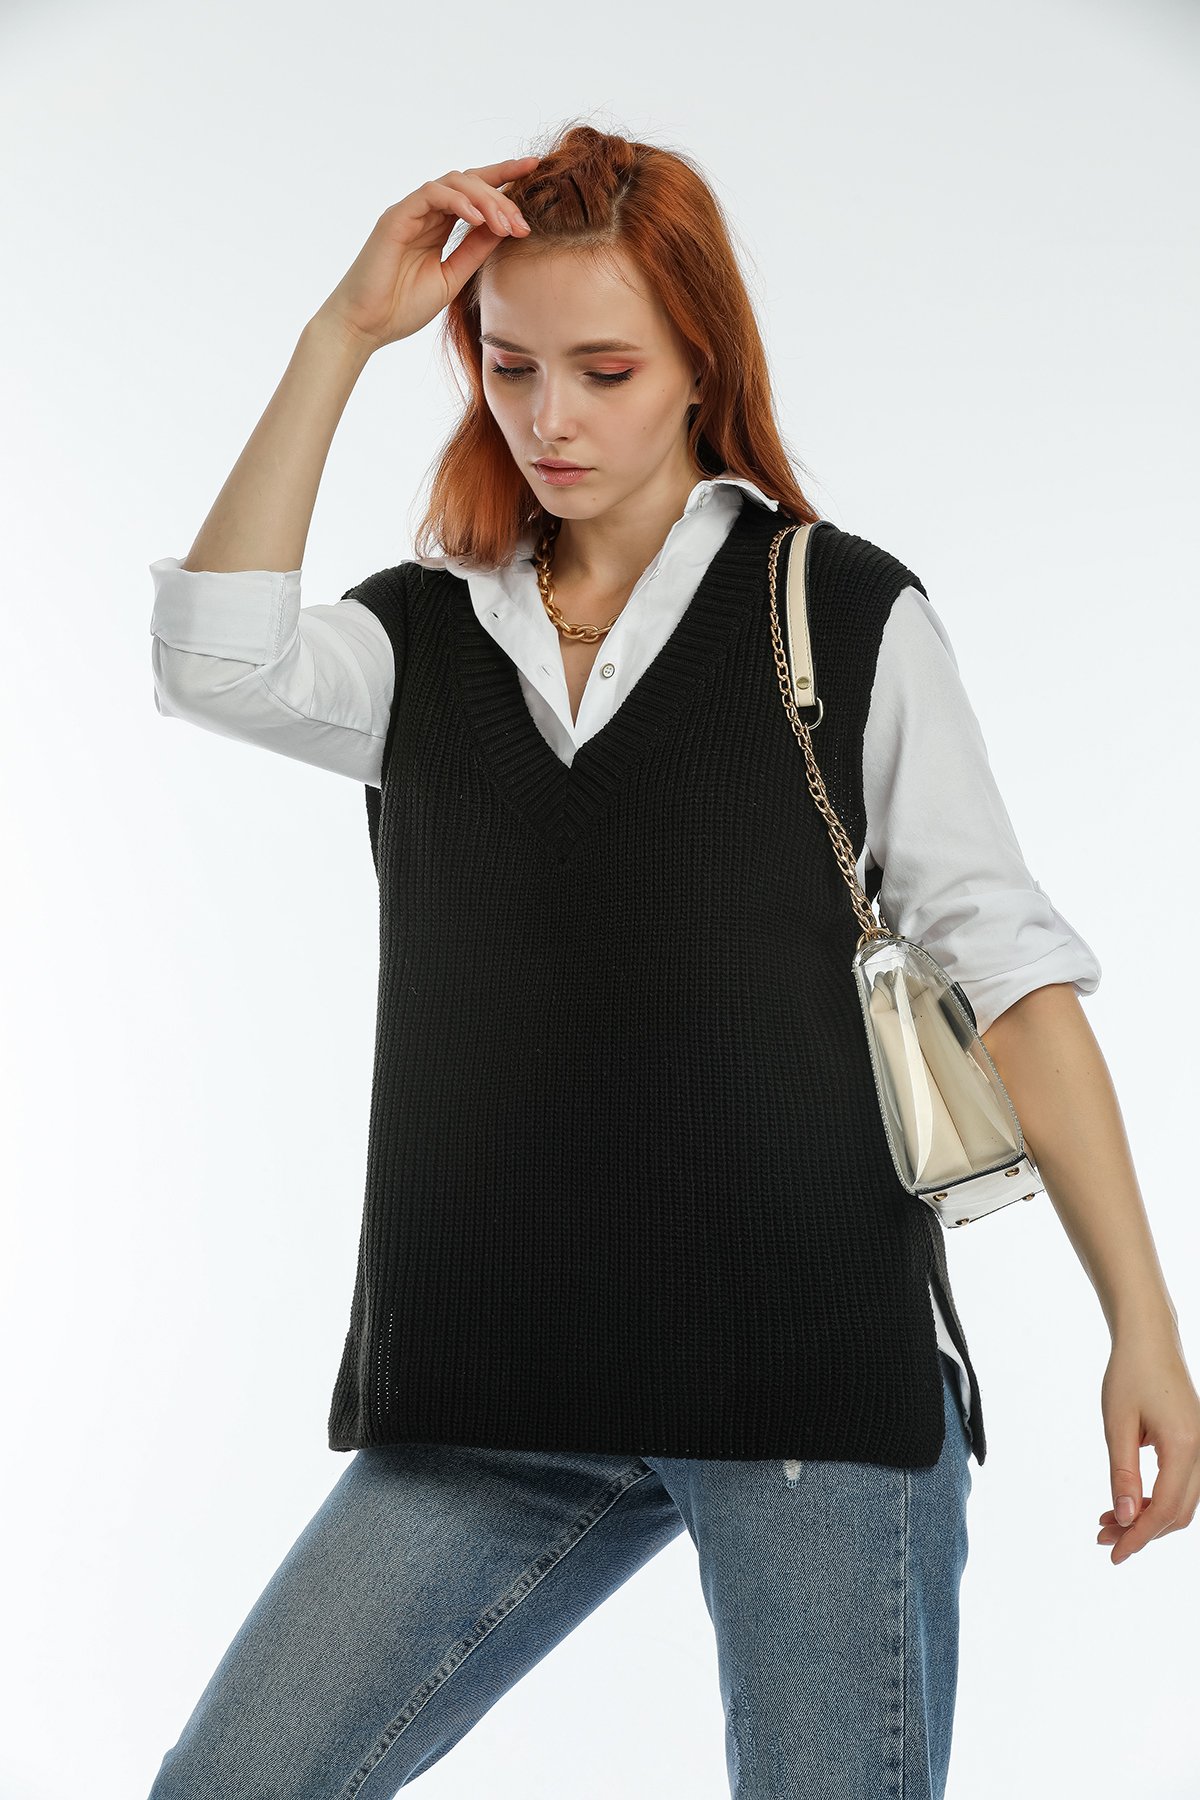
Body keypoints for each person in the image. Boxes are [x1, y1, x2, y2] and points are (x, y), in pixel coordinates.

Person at [145, 124, 1200, 1800]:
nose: (549, 418)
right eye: (508, 366)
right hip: (496, 1384)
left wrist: (1140, 1321)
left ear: (702, 362)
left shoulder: (839, 613)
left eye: (606, 369)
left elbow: (1013, 983)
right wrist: (342, 334)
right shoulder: (425, 634)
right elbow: (213, 660)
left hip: (805, 1390)